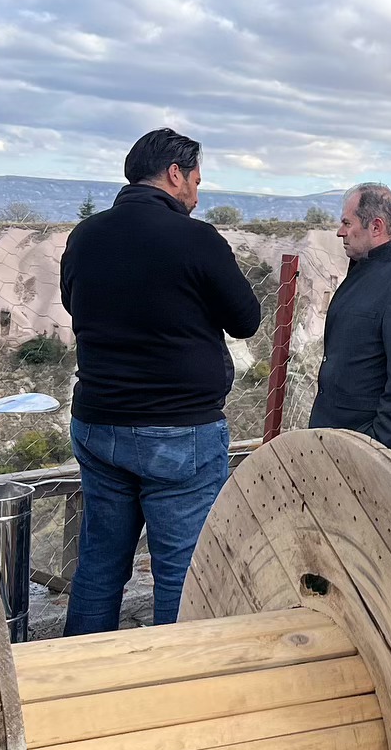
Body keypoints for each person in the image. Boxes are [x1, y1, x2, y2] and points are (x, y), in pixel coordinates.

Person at [60, 128, 262, 633]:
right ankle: (178, 690)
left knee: (100, 566)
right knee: (182, 573)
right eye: (196, 180)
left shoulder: (85, 236)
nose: (197, 193)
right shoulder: (196, 238)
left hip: (99, 424)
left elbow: (72, 304)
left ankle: (79, 684)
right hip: (180, 433)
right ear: (175, 175)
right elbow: (246, 320)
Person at [309, 182, 391, 463]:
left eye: (347, 222)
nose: (340, 231)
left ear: (375, 226)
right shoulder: (363, 270)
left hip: (363, 448)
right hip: (333, 436)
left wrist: (376, 444)